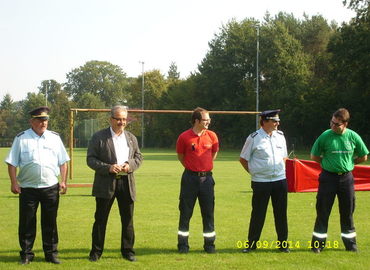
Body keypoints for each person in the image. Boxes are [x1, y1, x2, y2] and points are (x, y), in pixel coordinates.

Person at [4, 106, 70, 265]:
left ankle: (51, 254)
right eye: (40, 120)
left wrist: (63, 181)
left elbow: (63, 162)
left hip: (50, 187)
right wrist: (14, 182)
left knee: (50, 223)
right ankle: (26, 254)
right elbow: (12, 163)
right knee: (27, 223)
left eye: (45, 119)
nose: (43, 123)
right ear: (31, 121)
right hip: (28, 188)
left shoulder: (54, 138)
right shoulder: (21, 138)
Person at [87, 105, 143, 262]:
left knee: (127, 220)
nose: (122, 122)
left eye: (124, 119)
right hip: (106, 183)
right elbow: (90, 159)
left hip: (126, 183)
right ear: (110, 119)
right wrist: (109, 167)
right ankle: (96, 252)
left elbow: (139, 157)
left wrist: (129, 165)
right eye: (118, 119)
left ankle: (128, 251)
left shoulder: (131, 138)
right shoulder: (98, 137)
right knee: (100, 219)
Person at [310, 108, 369, 253]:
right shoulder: (325, 136)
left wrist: (350, 163)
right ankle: (318, 245)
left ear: (345, 124)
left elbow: (364, 156)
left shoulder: (353, 136)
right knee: (323, 211)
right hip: (328, 177)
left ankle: (351, 245)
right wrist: (326, 163)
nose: (333, 126)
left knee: (347, 212)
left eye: (337, 124)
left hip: (346, 178)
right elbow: (314, 155)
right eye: (332, 122)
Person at [239, 109, 289, 253]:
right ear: (265, 121)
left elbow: (284, 156)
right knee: (258, 214)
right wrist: (255, 173)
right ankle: (252, 244)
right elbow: (243, 159)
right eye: (275, 121)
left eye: (278, 120)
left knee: (281, 213)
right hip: (261, 182)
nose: (278, 123)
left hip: (280, 180)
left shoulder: (280, 136)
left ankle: (283, 244)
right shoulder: (253, 138)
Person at [176, 107, 219, 254]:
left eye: (209, 119)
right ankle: (183, 245)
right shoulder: (184, 137)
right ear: (196, 121)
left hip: (207, 179)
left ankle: (209, 245)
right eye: (205, 120)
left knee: (208, 213)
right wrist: (193, 168)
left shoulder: (212, 136)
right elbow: (181, 156)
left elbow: (214, 154)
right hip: (190, 179)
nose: (208, 122)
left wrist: (203, 169)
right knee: (185, 212)